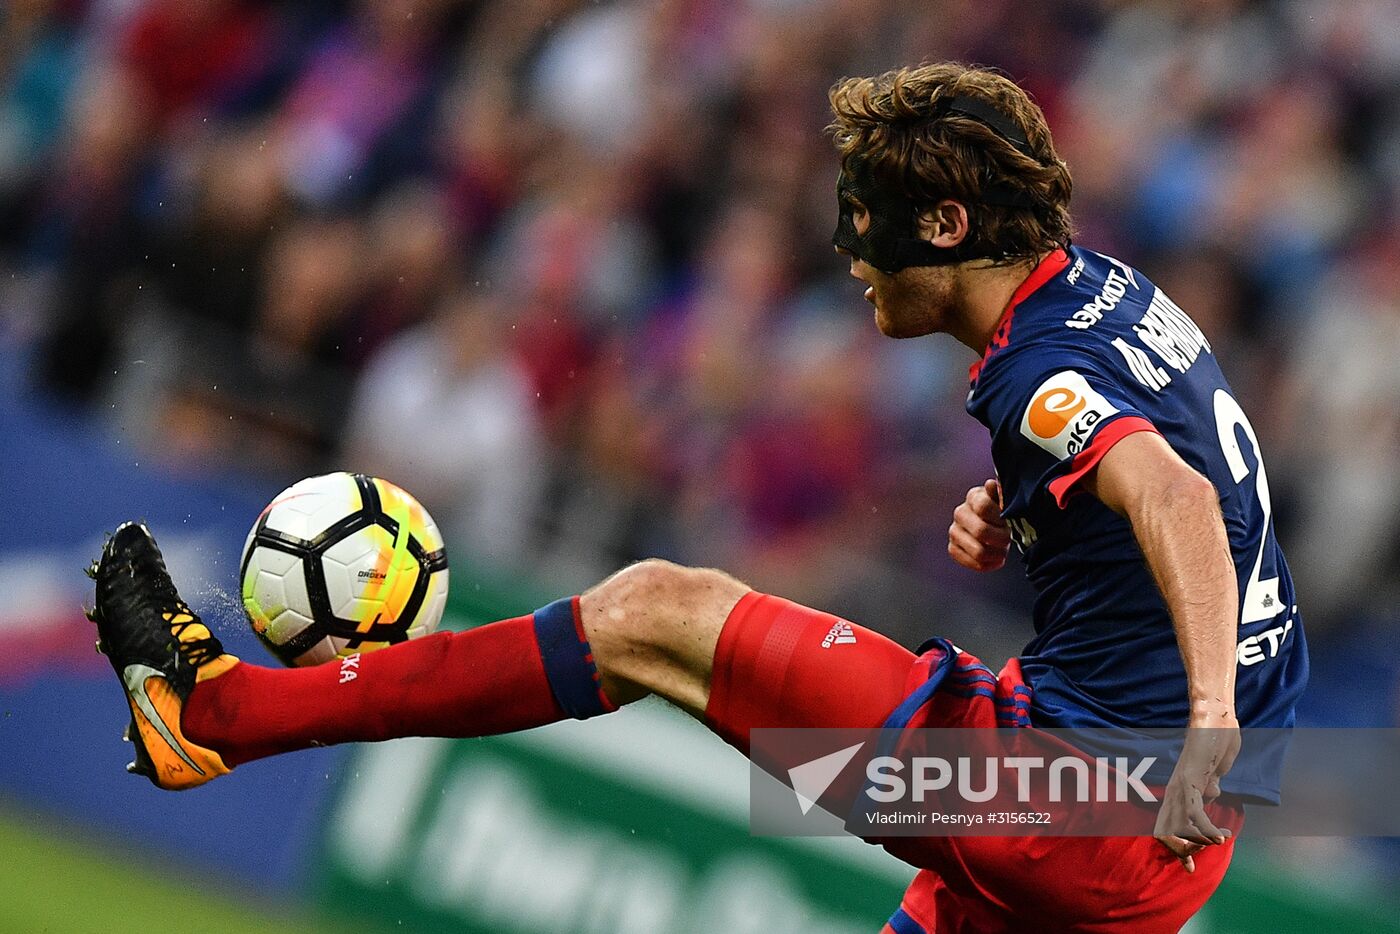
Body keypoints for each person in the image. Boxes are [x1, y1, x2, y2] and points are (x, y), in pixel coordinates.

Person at [88, 62, 1307, 932]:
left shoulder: (1041, 371)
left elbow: (1177, 497)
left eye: (867, 217)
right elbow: (1156, 467)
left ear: (945, 222)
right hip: (1153, 844)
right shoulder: (1100, 292)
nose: (846, 247)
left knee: (657, 616)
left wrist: (1204, 718)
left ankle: (223, 715)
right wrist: (1025, 507)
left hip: (1082, 801)